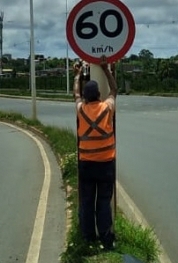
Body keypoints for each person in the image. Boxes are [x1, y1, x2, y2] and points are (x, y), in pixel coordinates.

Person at [73, 55, 118, 250]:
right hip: (106, 163)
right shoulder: (106, 109)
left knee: (87, 200)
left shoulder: (81, 110)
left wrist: (76, 76)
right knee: (104, 201)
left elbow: (75, 94)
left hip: (86, 164)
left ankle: (88, 237)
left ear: (85, 96)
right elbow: (115, 90)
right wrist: (106, 69)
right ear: (99, 94)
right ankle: (106, 237)